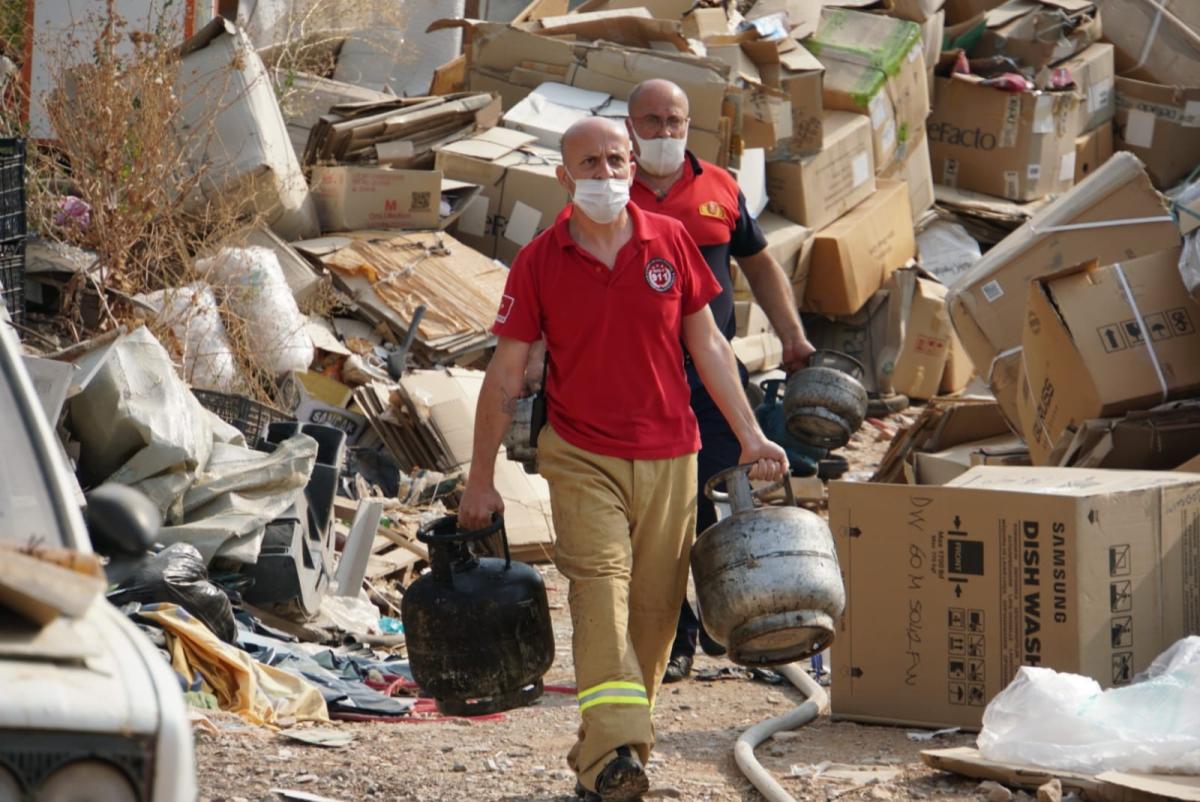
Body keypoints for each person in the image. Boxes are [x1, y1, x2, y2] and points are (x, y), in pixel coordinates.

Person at [458, 117, 788, 802]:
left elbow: (711, 348)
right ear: (563, 177)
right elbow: (506, 373)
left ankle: (605, 758)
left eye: (615, 160)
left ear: (632, 165)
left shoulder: (670, 241)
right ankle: (616, 754)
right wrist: (480, 477)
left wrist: (751, 435)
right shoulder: (541, 260)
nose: (605, 175)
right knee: (600, 589)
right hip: (581, 454)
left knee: (655, 614)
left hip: (673, 453)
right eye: (590, 163)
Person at [625, 79, 816, 683]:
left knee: (720, 494)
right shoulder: (606, 191)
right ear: (631, 126)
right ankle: (675, 634)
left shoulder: (720, 188)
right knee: (658, 511)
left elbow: (759, 264)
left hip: (712, 372)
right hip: (638, 379)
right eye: (650, 121)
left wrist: (792, 332)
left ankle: (730, 616)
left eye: (674, 120)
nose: (663, 132)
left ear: (690, 124)